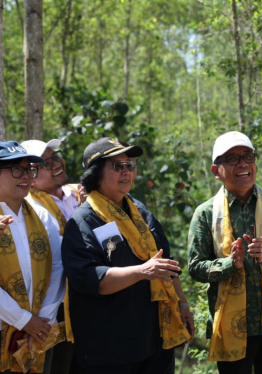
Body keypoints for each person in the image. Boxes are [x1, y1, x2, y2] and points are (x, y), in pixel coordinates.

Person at [61, 137, 194, 374]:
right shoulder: (83, 220)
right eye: (116, 166)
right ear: (95, 174)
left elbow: (165, 263)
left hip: (153, 338)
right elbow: (90, 279)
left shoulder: (139, 211)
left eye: (129, 165)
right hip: (110, 347)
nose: (126, 172)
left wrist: (182, 302)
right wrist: (142, 271)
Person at [188, 131, 262, 374]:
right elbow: (194, 267)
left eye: (248, 156)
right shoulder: (206, 213)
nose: (243, 164)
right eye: (232, 159)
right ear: (216, 171)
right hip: (230, 326)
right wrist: (229, 265)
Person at [0, 141, 65, 373]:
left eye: (30, 170)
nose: (25, 176)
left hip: (38, 332)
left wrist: (41, 321)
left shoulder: (42, 215)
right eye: (17, 169)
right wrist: (22, 320)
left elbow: (58, 267)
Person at [22, 139, 85, 374]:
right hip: (54, 309)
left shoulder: (82, 194)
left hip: (92, 303)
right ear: (30, 176)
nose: (57, 163)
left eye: (55, 156)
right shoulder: (28, 209)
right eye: (46, 163)